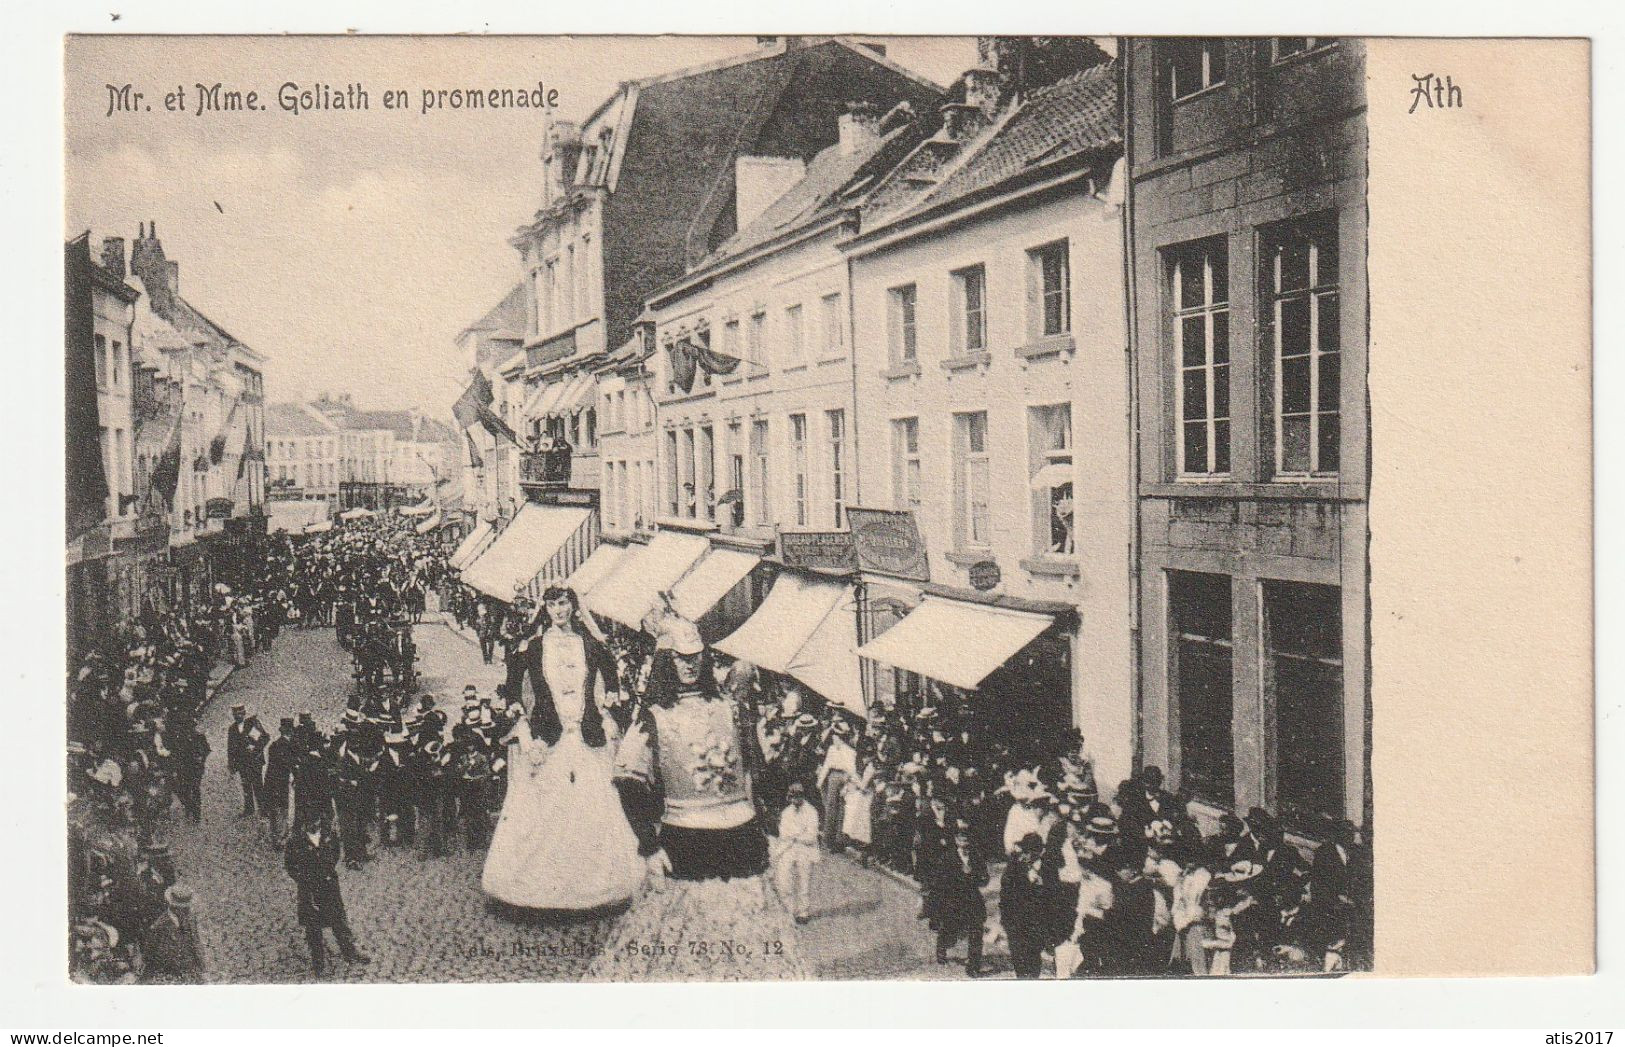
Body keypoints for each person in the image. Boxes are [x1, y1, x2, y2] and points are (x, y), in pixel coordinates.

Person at [590, 619, 807, 980]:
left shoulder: (732, 709)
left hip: (742, 838)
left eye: (695, 657)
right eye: (680, 658)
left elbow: (759, 769)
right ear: (666, 660)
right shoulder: (653, 716)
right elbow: (628, 781)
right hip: (686, 841)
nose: (689, 665)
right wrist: (648, 844)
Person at [481, 586, 643, 911]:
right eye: (553, 604)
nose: (559, 610)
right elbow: (511, 691)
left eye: (564, 603)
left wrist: (609, 708)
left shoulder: (592, 646)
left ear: (573, 606)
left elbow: (613, 683)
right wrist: (525, 730)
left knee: (593, 808)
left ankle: (596, 887)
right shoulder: (533, 647)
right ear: (546, 608)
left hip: (586, 739)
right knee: (543, 811)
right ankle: (539, 889)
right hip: (547, 740)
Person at [283, 809, 369, 978]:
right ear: (304, 825)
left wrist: (328, 868)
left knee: (339, 921)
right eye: (310, 825)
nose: (314, 827)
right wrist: (303, 879)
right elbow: (290, 865)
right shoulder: (295, 841)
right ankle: (318, 962)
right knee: (313, 928)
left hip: (329, 884)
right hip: (309, 888)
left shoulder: (329, 834)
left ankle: (350, 951)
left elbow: (335, 852)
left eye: (316, 824)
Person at [774, 782, 820, 924]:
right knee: (784, 878)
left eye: (798, 797)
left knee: (804, 880)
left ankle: (803, 912)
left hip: (805, 849)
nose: (795, 801)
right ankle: (789, 909)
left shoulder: (812, 812)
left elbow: (811, 836)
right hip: (788, 847)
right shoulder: (786, 812)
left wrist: (795, 835)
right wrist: (798, 834)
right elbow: (783, 833)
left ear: (803, 797)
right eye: (792, 797)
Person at [141, 884, 206, 982]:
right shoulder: (159, 926)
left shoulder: (191, 919)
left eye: (187, 907)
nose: (187, 911)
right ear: (173, 907)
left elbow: (196, 942)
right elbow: (148, 956)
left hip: (190, 971)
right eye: (183, 908)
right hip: (168, 976)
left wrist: (201, 967)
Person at [225, 705, 268, 819]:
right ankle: (249, 809)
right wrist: (231, 764)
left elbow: (265, 737)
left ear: (244, 713)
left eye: (239, 713)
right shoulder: (232, 728)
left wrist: (255, 747)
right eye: (235, 714)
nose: (237, 716)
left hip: (254, 760)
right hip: (242, 762)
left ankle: (263, 809)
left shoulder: (252, 723)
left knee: (258, 785)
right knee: (246, 786)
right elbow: (230, 748)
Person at [262, 718, 298, 848]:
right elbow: (289, 764)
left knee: (276, 808)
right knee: (280, 808)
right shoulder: (285, 746)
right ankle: (279, 837)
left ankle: (277, 835)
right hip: (278, 782)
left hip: (273, 781)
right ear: (290, 732)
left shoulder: (276, 745)